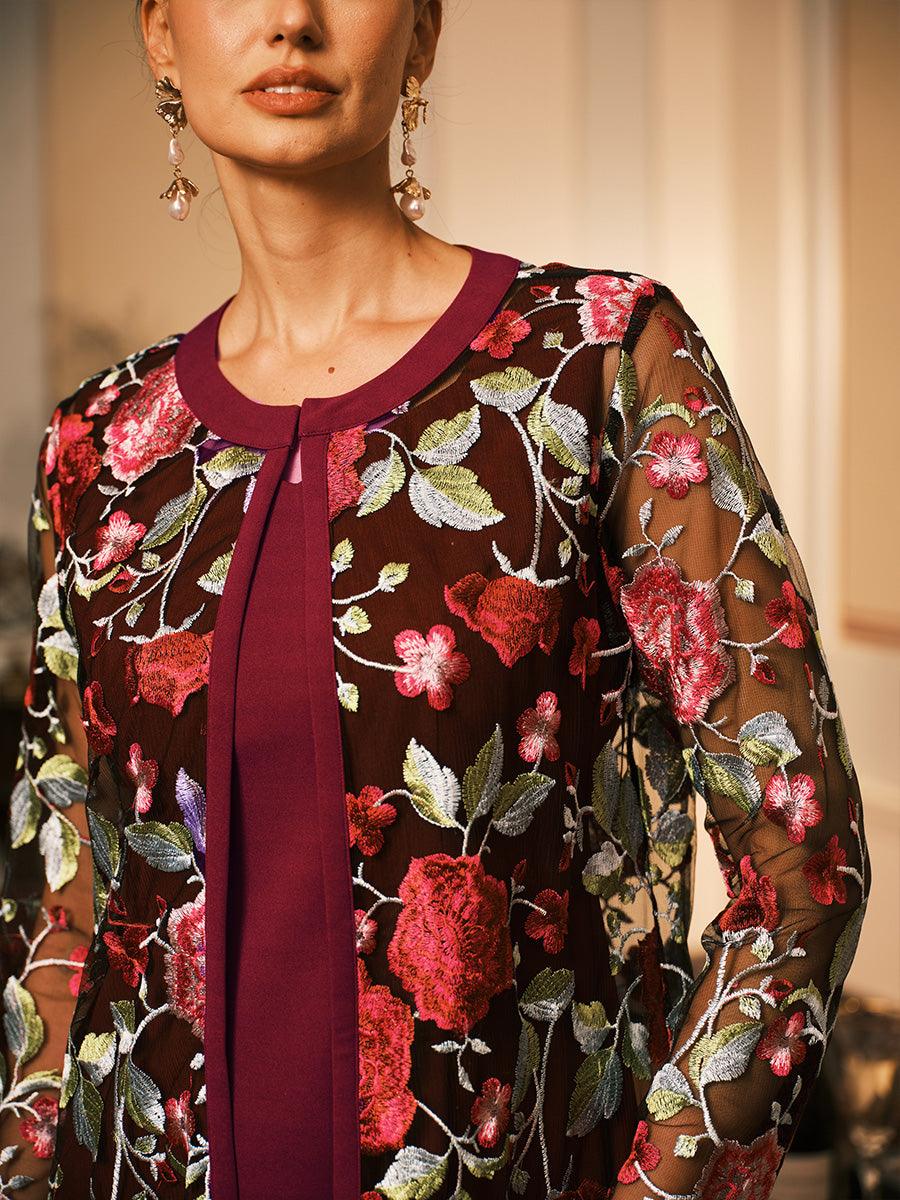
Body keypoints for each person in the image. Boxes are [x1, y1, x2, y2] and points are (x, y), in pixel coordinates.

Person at [0, 1, 872, 1198]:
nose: (292, 18)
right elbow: (62, 901)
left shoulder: (597, 365)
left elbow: (801, 867)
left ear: (421, 31)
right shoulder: (100, 449)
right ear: (160, 32)